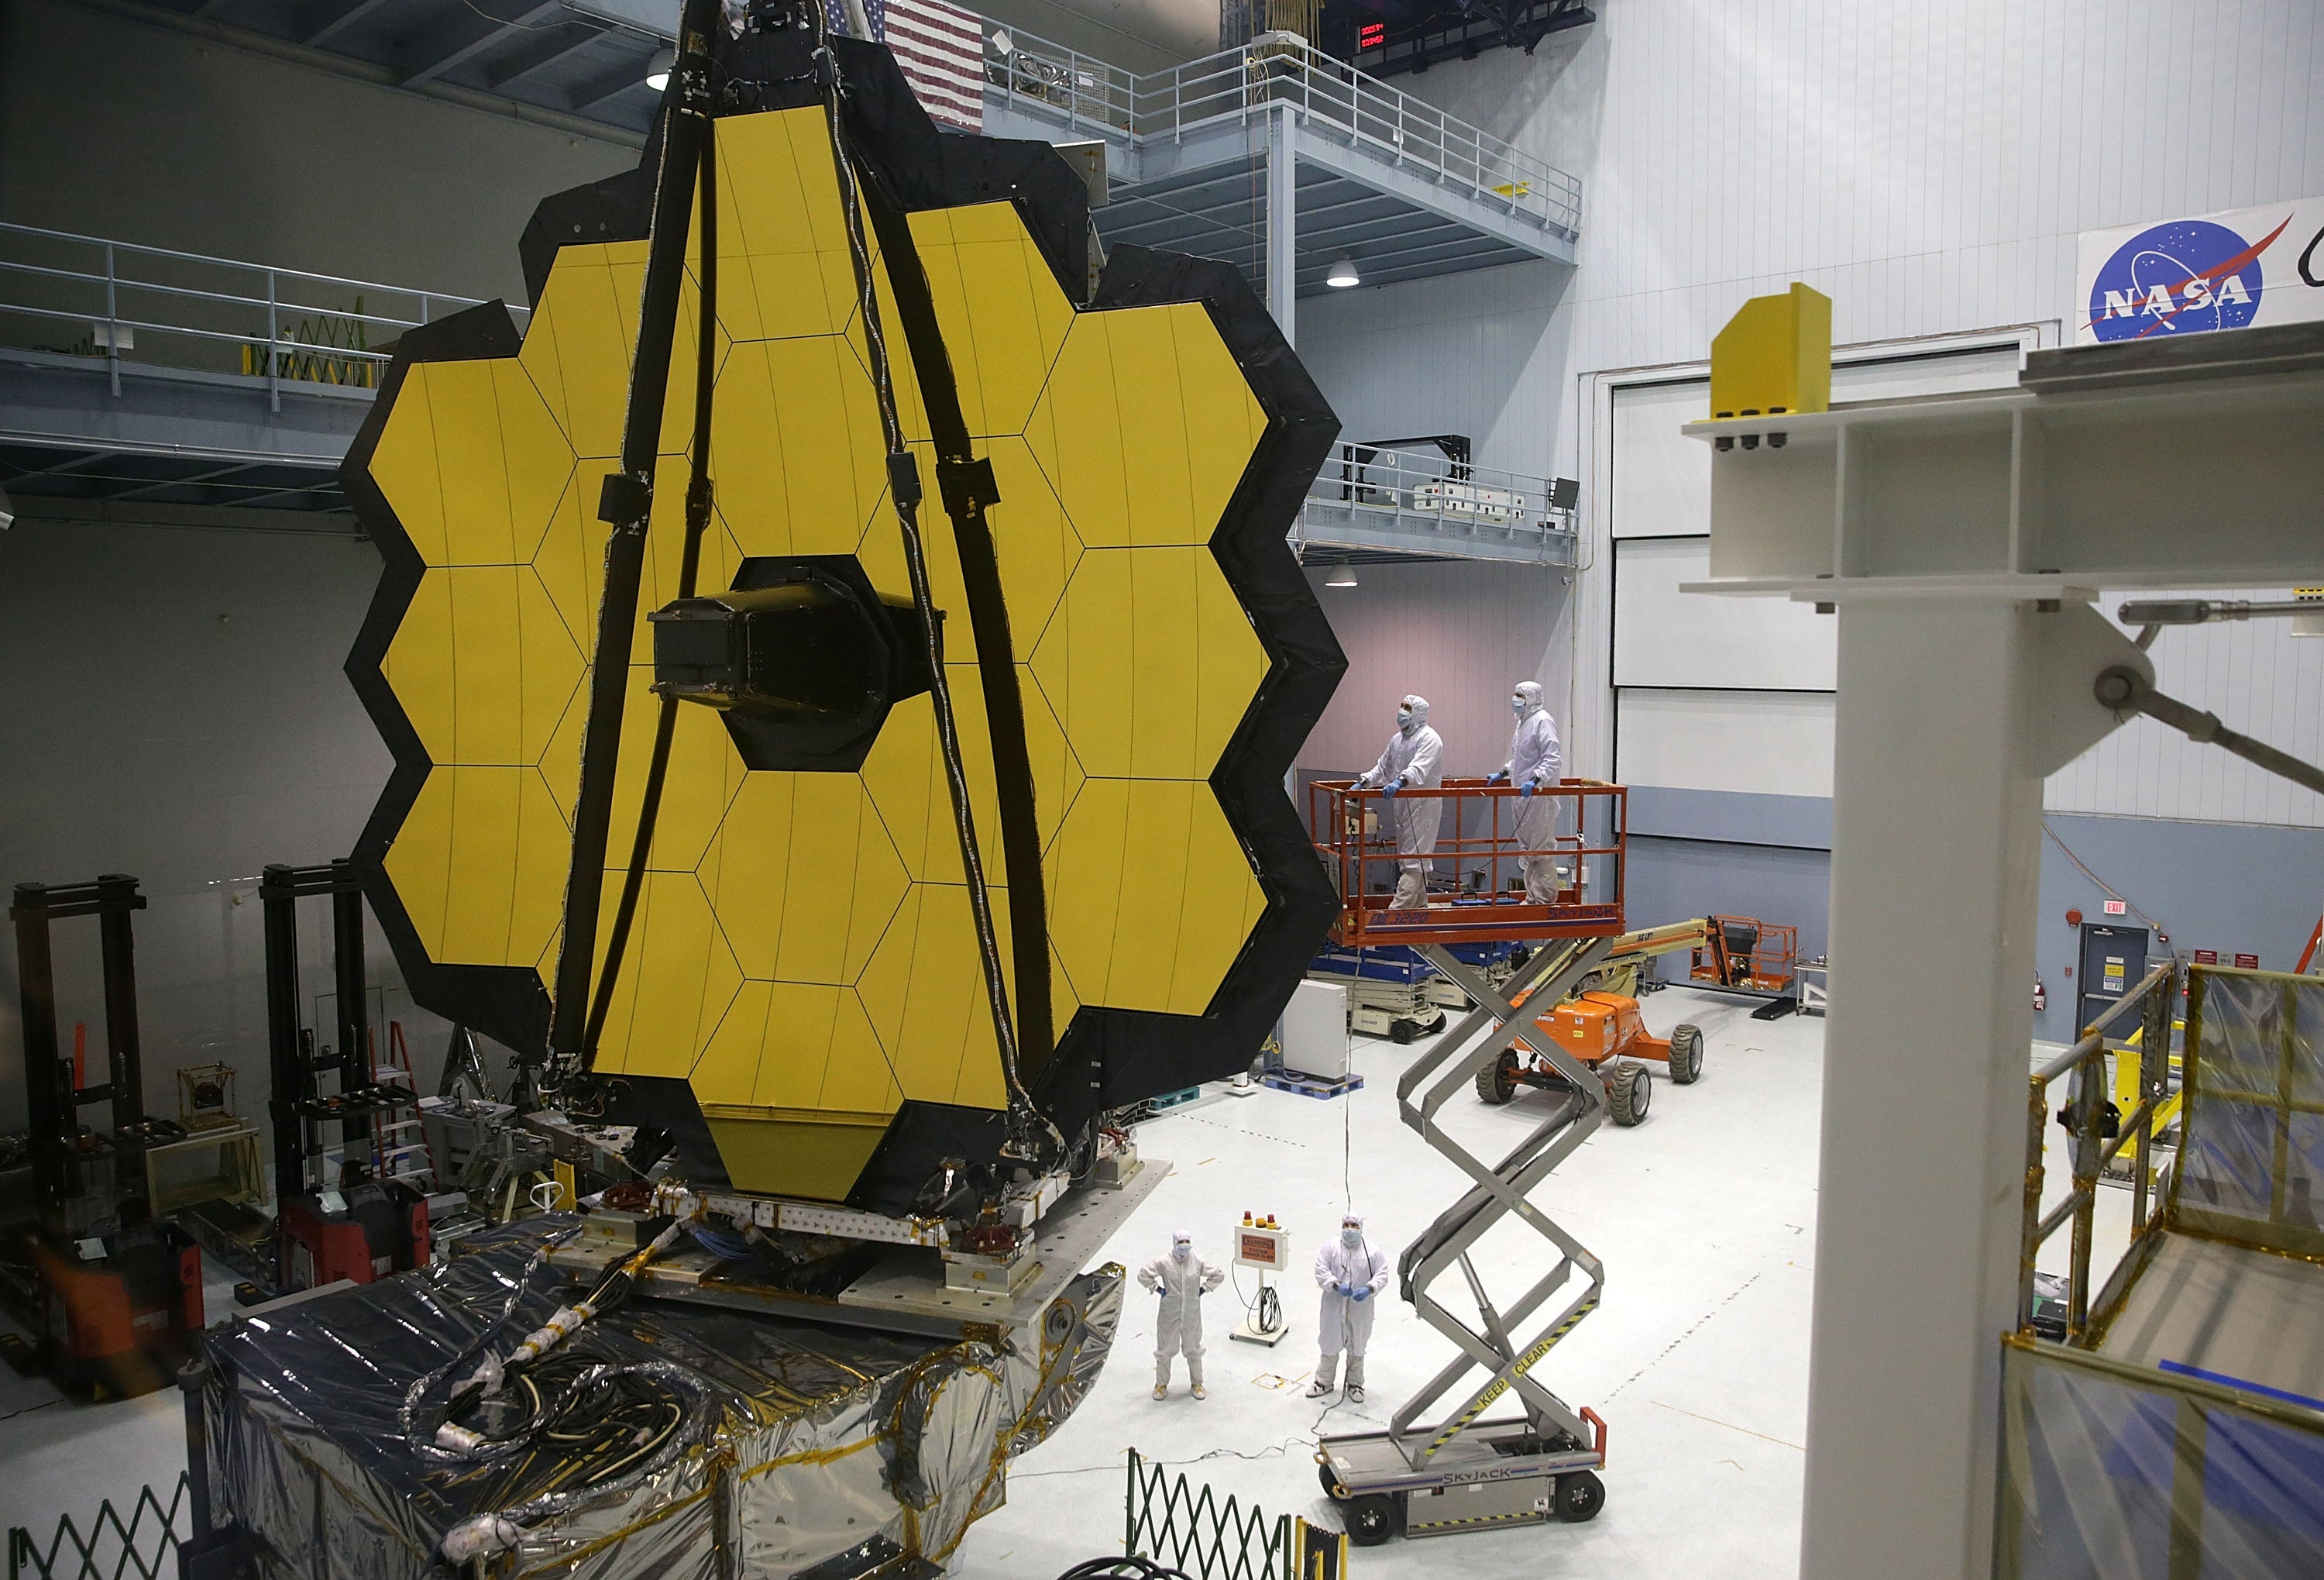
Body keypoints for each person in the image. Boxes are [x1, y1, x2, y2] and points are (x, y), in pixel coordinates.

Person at [1353, 695, 1444, 910]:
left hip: (1423, 806)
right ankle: (1420, 904)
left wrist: (1400, 781)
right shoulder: (1398, 740)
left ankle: (1397, 911)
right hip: (1402, 804)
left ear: (1418, 713)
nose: (1402, 711)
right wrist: (1363, 782)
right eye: (1401, 706)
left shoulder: (1430, 739)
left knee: (1414, 859)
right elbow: (1383, 768)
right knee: (1408, 857)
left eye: (1408, 708)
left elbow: (1418, 768)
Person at [1485, 680, 1565, 904]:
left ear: (1531, 698)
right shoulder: (1523, 722)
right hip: (1521, 794)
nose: (1515, 700)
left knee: (1540, 850)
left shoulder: (1543, 721)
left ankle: (1544, 899)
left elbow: (1552, 758)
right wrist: (1503, 772)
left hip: (1539, 796)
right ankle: (1533, 897)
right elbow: (1522, 758)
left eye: (1520, 695)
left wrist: (1535, 779)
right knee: (1528, 850)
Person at [1308, 1213, 1391, 1403]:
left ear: (1361, 1227)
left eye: (1354, 1225)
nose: (1349, 1229)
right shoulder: (1331, 1248)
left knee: (1357, 1346)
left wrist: (1370, 1288)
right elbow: (1321, 1271)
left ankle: (1355, 1385)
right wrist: (1335, 1285)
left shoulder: (1372, 1252)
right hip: (1333, 1305)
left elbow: (1382, 1274)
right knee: (1329, 1344)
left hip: (1360, 1309)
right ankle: (1323, 1382)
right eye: (1346, 1224)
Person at [1139, 1229, 1225, 1399]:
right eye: (1181, 1242)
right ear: (1174, 1243)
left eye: (1187, 1241)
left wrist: (1204, 1288)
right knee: (1165, 1349)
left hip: (1192, 1312)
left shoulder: (1197, 1262)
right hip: (1169, 1312)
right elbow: (1143, 1274)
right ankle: (1161, 1385)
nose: (1184, 1246)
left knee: (1193, 1348)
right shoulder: (1164, 1262)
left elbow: (1218, 1274)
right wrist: (1158, 1289)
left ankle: (1197, 1383)